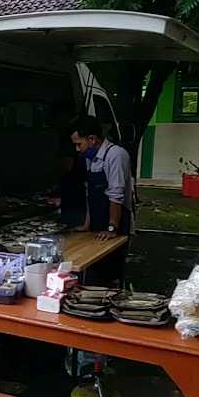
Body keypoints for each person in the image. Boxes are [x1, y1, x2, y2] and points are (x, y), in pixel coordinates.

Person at [70, 114, 133, 286]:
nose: (77, 149)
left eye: (78, 144)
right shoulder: (91, 158)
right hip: (98, 225)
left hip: (117, 224)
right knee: (91, 272)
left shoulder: (116, 155)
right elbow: (91, 194)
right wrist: (87, 224)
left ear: (92, 139)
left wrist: (112, 227)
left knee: (110, 275)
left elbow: (116, 194)